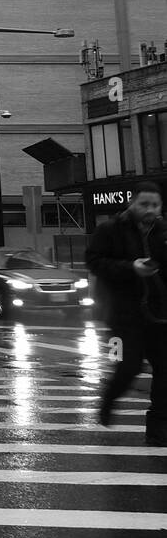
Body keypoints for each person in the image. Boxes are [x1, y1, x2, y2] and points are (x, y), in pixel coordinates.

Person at [86, 181, 167, 445]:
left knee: (165, 369)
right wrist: (131, 267)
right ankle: (109, 399)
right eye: (144, 204)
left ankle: (157, 430)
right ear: (131, 203)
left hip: (158, 315)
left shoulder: (163, 232)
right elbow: (95, 262)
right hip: (122, 315)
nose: (150, 210)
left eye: (155, 204)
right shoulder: (110, 229)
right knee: (129, 367)